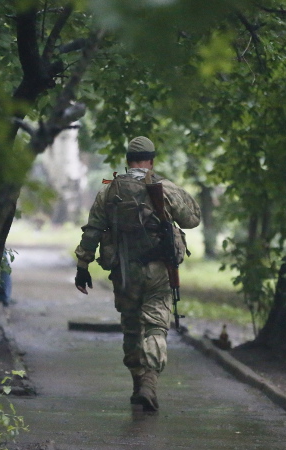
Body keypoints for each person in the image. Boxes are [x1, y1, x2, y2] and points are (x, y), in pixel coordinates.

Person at [74, 136, 201, 411]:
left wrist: (82, 266)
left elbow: (93, 230)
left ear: (127, 160)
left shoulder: (110, 189)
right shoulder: (164, 187)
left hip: (124, 271)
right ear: (152, 160)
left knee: (131, 327)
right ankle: (149, 383)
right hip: (159, 271)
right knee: (155, 326)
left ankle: (137, 381)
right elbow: (192, 219)